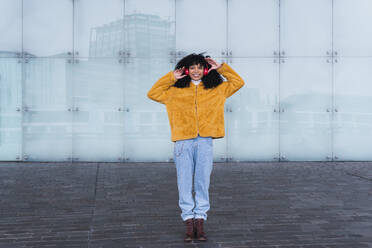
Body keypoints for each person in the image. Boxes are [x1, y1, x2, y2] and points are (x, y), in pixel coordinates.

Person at [147, 53, 245, 242]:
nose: (196, 71)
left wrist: (222, 68)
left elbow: (238, 82)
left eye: (200, 67)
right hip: (183, 142)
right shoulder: (174, 91)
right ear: (186, 70)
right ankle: (188, 222)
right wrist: (170, 78)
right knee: (184, 183)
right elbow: (152, 93)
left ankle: (200, 221)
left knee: (202, 182)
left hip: (205, 141)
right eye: (192, 67)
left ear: (205, 70)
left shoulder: (218, 89)